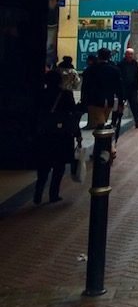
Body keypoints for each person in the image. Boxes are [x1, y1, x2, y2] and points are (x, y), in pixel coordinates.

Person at [34, 68, 82, 205]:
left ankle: (38, 191)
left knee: (43, 165)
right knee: (59, 165)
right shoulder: (65, 94)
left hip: (45, 134)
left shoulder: (41, 94)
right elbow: (72, 116)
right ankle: (53, 194)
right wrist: (77, 134)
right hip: (62, 135)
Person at [80, 47, 124, 130]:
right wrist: (121, 102)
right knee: (102, 121)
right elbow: (119, 87)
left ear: (98, 56)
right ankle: (103, 139)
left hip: (94, 100)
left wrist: (83, 101)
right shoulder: (114, 70)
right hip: (109, 100)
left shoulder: (90, 70)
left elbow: (85, 87)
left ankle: (102, 141)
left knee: (99, 123)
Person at [117, 48, 138, 139]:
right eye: (128, 54)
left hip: (132, 87)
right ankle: (114, 121)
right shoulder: (121, 64)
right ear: (125, 54)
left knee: (135, 104)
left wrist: (137, 86)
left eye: (131, 54)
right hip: (123, 88)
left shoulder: (134, 63)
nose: (130, 56)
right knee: (120, 104)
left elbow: (136, 74)